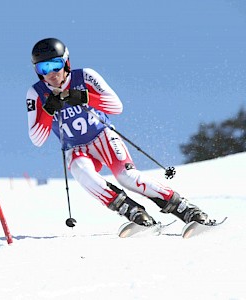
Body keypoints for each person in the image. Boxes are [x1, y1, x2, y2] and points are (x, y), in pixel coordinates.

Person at [26, 37, 210, 226]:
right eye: (43, 68)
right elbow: (37, 139)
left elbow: (116, 106)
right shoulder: (36, 94)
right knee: (83, 173)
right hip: (75, 148)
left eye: (56, 65)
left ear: (66, 62)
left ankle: (185, 209)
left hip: (102, 136)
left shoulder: (85, 76)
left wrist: (83, 96)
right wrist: (48, 110)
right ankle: (134, 213)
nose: (51, 73)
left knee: (127, 177)